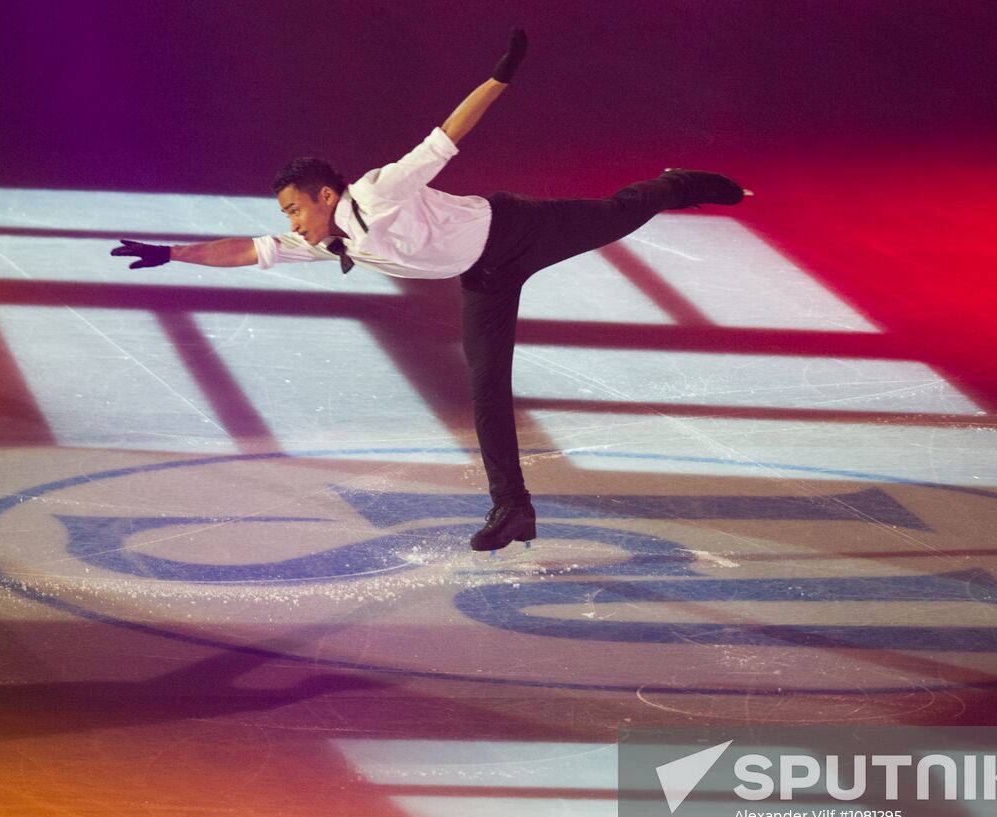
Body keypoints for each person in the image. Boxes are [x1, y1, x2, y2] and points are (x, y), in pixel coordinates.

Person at [112, 27, 748, 551]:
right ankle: (513, 510)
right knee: (485, 386)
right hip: (483, 280)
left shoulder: (377, 191)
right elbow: (247, 249)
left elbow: (445, 137)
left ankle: (680, 184)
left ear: (325, 195)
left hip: (515, 229)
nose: (290, 221)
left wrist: (501, 76)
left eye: (292, 207)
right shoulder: (327, 240)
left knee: (618, 214)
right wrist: (171, 253)